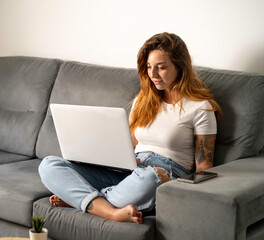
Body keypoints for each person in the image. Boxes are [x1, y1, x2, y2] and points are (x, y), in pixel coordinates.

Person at [38, 32, 221, 224]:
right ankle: (109, 211)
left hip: (161, 175)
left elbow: (204, 168)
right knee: (49, 165)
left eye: (161, 67)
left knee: (148, 178)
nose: (153, 74)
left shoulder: (201, 107)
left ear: (180, 67)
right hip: (129, 170)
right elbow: (129, 147)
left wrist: (172, 182)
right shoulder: (142, 100)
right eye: (149, 67)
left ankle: (82, 200)